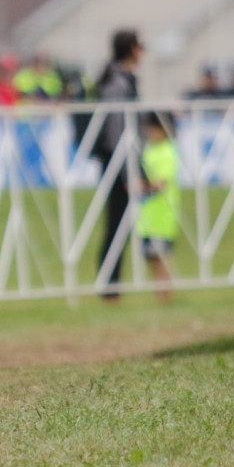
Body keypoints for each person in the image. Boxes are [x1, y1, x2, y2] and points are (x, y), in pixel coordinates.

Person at [92, 28, 142, 302]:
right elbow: (115, 130)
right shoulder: (117, 83)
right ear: (132, 49)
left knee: (119, 223)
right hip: (117, 161)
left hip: (121, 160)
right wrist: (126, 171)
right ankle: (110, 286)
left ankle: (112, 284)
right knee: (115, 223)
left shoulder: (121, 78)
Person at [135, 111, 179, 303]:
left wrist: (141, 186)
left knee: (162, 256)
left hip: (163, 214)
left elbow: (162, 182)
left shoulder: (168, 150)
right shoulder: (149, 149)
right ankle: (158, 293)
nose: (150, 132)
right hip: (146, 214)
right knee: (150, 257)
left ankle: (166, 295)